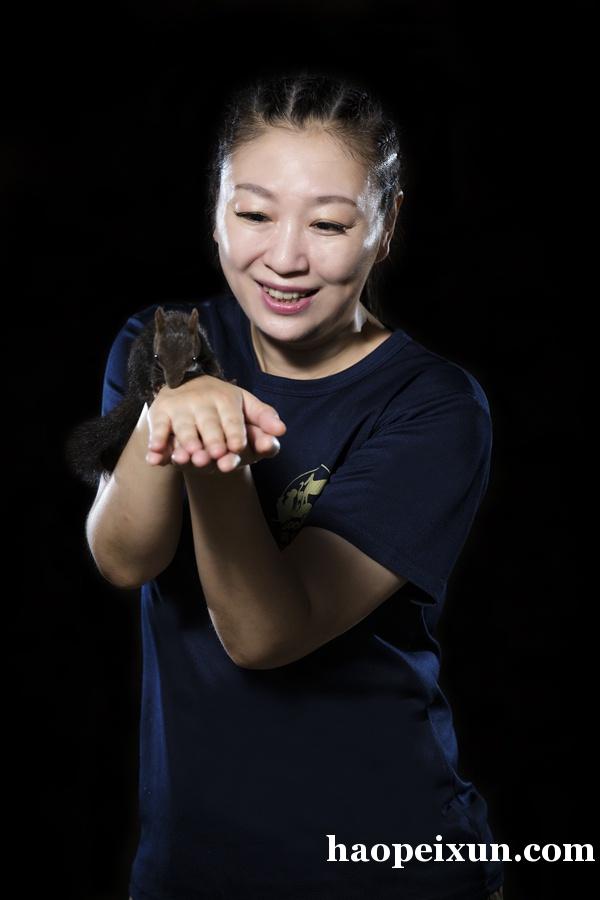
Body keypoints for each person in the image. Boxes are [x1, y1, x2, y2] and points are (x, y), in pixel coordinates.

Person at [89, 72, 504, 899]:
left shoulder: (433, 406)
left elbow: (263, 635)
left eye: (328, 224)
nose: (284, 258)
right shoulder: (164, 340)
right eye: (253, 214)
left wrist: (218, 449)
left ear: (384, 230)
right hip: (191, 866)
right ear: (216, 214)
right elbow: (124, 558)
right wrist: (168, 404)